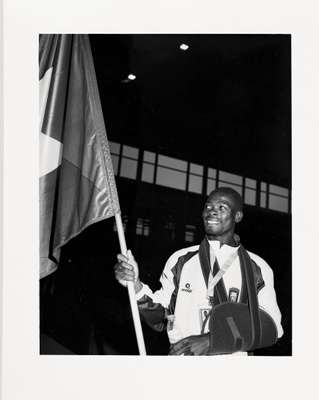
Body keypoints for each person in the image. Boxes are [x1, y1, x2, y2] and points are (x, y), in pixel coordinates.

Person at [114, 187, 283, 355]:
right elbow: (161, 317)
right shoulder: (180, 260)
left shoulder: (256, 266)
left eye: (221, 207)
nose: (212, 212)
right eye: (208, 207)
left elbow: (271, 327)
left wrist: (212, 341)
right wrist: (135, 285)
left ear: (237, 216)